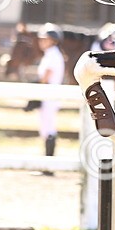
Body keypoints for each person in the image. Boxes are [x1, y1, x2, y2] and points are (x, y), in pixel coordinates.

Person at [36, 23, 66, 175]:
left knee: (48, 128)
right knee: (47, 127)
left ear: (52, 40)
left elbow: (45, 76)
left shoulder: (53, 55)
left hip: (49, 95)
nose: (41, 41)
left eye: (45, 39)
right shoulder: (51, 54)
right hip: (49, 94)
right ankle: (47, 163)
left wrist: (35, 88)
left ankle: (48, 165)